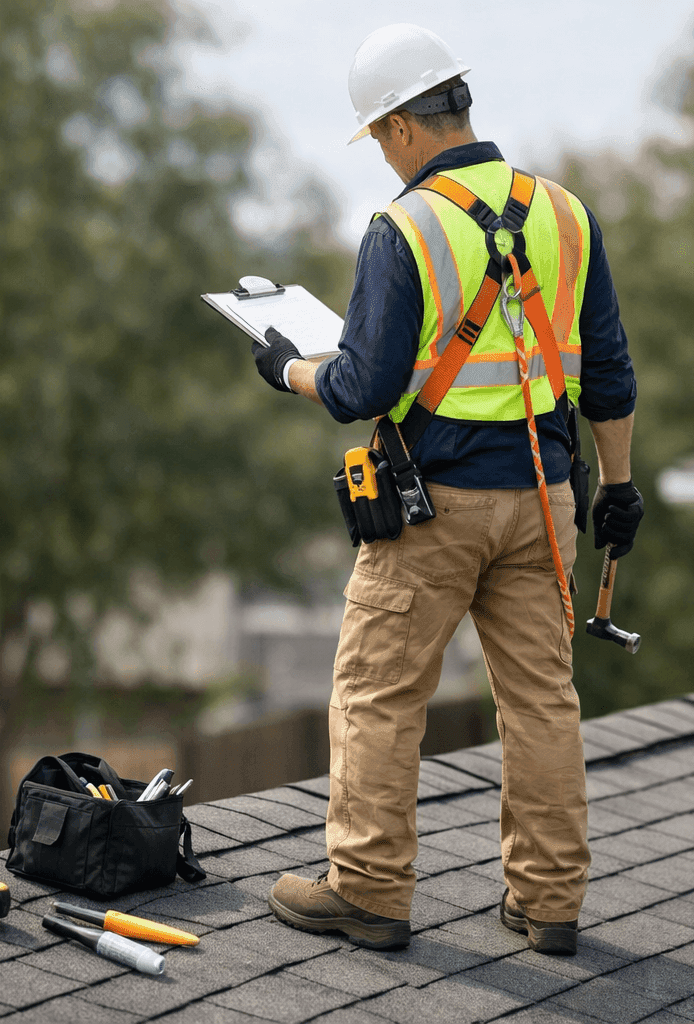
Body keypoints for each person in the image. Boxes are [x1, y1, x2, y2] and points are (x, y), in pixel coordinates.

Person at [253, 23, 642, 955]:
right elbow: (612, 373)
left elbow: (363, 388)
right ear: (457, 103)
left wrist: (288, 370)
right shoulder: (564, 212)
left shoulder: (405, 227)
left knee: (378, 695)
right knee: (543, 701)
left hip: (432, 507)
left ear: (398, 125)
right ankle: (549, 904)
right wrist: (618, 491)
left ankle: (370, 891)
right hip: (546, 500)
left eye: (381, 136)